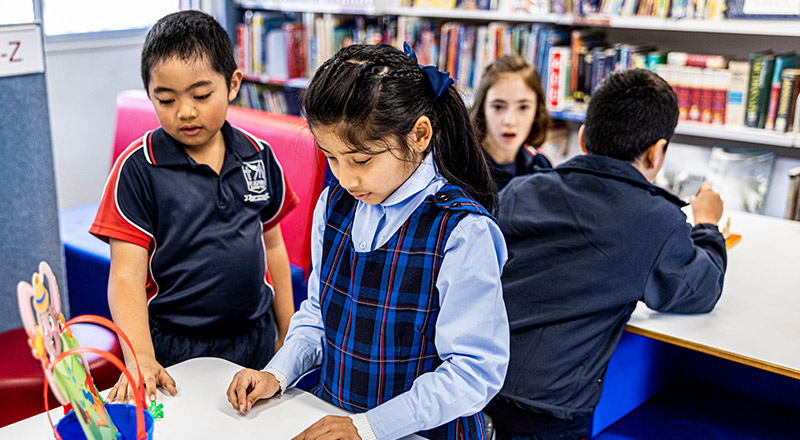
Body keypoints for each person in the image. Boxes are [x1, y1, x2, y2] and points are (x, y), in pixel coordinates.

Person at [226, 43, 510, 440]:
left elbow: (473, 371)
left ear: (420, 135)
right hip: (337, 415)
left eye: (361, 160)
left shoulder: (462, 230)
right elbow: (319, 313)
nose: (346, 178)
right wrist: (278, 371)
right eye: (331, 158)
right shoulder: (335, 204)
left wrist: (369, 426)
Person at [486, 68, 727, 440]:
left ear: (583, 137)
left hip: (475, 388)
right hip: (550, 414)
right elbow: (701, 289)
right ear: (656, 153)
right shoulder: (655, 221)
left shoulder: (521, 190)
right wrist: (707, 223)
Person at [90, 10, 298, 403]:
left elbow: (273, 247)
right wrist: (140, 358)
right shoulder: (139, 168)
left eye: (201, 96)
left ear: (233, 83)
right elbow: (126, 277)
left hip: (253, 336)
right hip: (173, 345)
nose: (185, 111)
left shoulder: (257, 155)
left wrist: (287, 331)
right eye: (165, 99)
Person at [471, 55, 552, 191]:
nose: (510, 121)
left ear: (537, 111)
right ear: (482, 109)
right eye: (498, 107)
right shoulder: (460, 169)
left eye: (523, 107)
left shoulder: (541, 166)